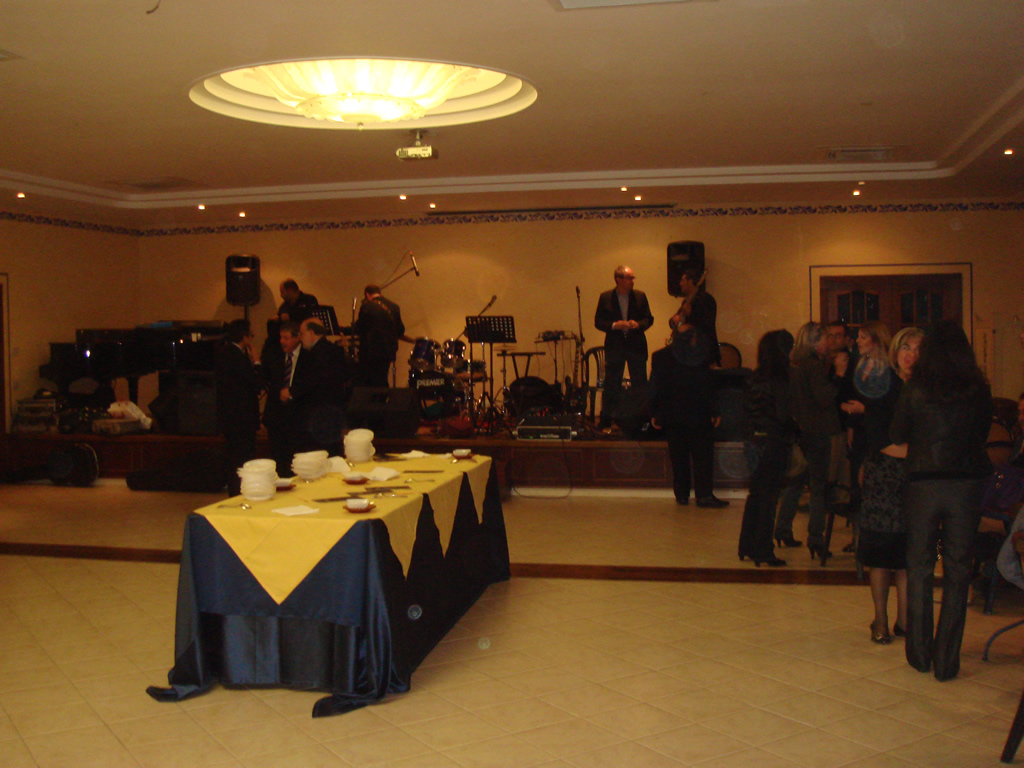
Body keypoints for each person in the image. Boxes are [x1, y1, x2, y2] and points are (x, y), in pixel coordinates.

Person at [890, 320, 993, 681]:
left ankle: (919, 654)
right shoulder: (978, 389)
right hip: (966, 484)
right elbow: (982, 434)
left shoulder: (916, 387)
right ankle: (947, 661)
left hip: (922, 483)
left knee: (919, 566)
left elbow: (897, 433)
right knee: (958, 570)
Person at [841, 326, 922, 644]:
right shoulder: (883, 386)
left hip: (916, 479)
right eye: (906, 348)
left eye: (918, 349)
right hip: (884, 477)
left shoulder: (928, 389)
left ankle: (905, 620)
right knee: (881, 553)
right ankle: (881, 619)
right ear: (895, 351)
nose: (911, 355)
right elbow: (880, 441)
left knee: (908, 555)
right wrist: (922, 452)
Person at [647, 317, 729, 508]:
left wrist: (654, 412)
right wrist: (715, 410)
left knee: (678, 457)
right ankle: (704, 495)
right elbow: (707, 387)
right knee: (703, 456)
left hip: (672, 414)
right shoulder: (700, 355)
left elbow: (654, 386)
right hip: (698, 413)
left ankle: (682, 495)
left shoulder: (660, 356)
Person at [737, 330, 795, 566]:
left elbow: (746, 411)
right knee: (769, 498)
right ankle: (763, 550)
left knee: (755, 494)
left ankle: (747, 545)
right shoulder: (782, 380)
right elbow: (783, 415)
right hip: (773, 441)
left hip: (753, 441)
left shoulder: (753, 377)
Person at [789, 321, 843, 560]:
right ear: (814, 342)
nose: (828, 342)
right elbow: (824, 397)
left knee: (797, 482)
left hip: (802, 428)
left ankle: (782, 528)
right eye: (824, 338)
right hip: (819, 429)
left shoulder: (796, 364)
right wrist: (838, 376)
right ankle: (816, 537)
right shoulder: (814, 366)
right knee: (819, 487)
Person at [594, 266, 654, 432]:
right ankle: (606, 420)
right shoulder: (606, 297)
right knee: (612, 384)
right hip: (615, 346)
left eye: (633, 278)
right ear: (618, 279)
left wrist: (638, 324)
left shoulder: (640, 296)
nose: (633, 281)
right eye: (629, 278)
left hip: (636, 345)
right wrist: (615, 325)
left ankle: (642, 421)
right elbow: (598, 321)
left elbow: (649, 318)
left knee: (640, 384)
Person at [284, 318, 350, 456]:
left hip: (318, 413)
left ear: (311, 332)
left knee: (318, 454)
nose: (300, 338)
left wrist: (292, 392)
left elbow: (313, 380)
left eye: (302, 333)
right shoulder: (335, 350)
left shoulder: (315, 354)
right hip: (334, 411)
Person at [215, 319, 263, 496]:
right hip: (242, 418)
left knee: (233, 457)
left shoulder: (225, 353)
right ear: (244, 336)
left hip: (230, 417)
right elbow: (256, 384)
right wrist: (256, 362)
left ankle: (235, 491)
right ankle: (239, 493)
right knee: (242, 459)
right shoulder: (237, 357)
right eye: (250, 333)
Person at [261, 321, 302, 476]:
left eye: (286, 338)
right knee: (277, 457)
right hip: (276, 414)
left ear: (297, 338)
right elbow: (265, 378)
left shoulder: (306, 357)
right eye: (281, 337)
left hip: (296, 414)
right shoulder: (274, 355)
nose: (282, 341)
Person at [353, 284, 405, 388]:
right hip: (388, 351)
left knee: (368, 381)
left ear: (367, 295)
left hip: (371, 352)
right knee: (382, 378)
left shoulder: (367, 307)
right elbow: (400, 330)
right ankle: (383, 396)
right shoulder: (394, 307)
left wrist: (342, 329)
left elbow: (359, 328)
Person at [669, 267, 721, 367]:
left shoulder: (707, 300)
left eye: (683, 280)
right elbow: (672, 322)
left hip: (704, 353)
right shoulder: (687, 301)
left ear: (690, 282)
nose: (680, 284)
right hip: (688, 353)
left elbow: (707, 325)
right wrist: (674, 320)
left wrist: (690, 314)